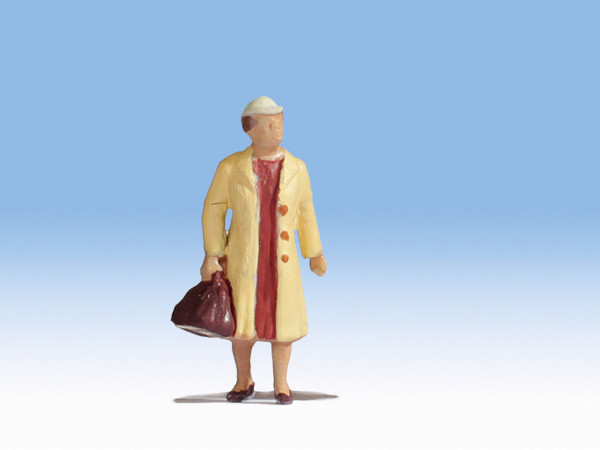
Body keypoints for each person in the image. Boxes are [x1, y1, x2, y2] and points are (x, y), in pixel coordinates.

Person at [200, 96, 327, 404]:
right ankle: (243, 379)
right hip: (245, 261)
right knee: (242, 326)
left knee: (282, 326)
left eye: (279, 122)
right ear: (250, 129)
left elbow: (306, 211)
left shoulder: (297, 168)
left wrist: (314, 251)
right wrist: (213, 253)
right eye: (268, 124)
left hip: (279, 261)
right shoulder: (230, 167)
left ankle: (281, 383)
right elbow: (214, 209)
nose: (276, 128)